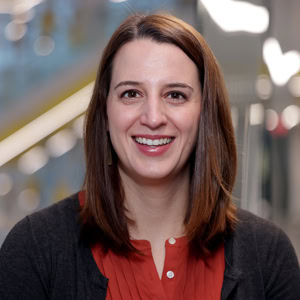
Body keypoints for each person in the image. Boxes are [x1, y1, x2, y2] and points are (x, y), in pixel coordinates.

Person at [0, 13, 299, 300]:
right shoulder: (35, 248)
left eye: (175, 95)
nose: (153, 117)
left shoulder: (267, 255)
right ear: (105, 113)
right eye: (131, 93)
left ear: (205, 114)